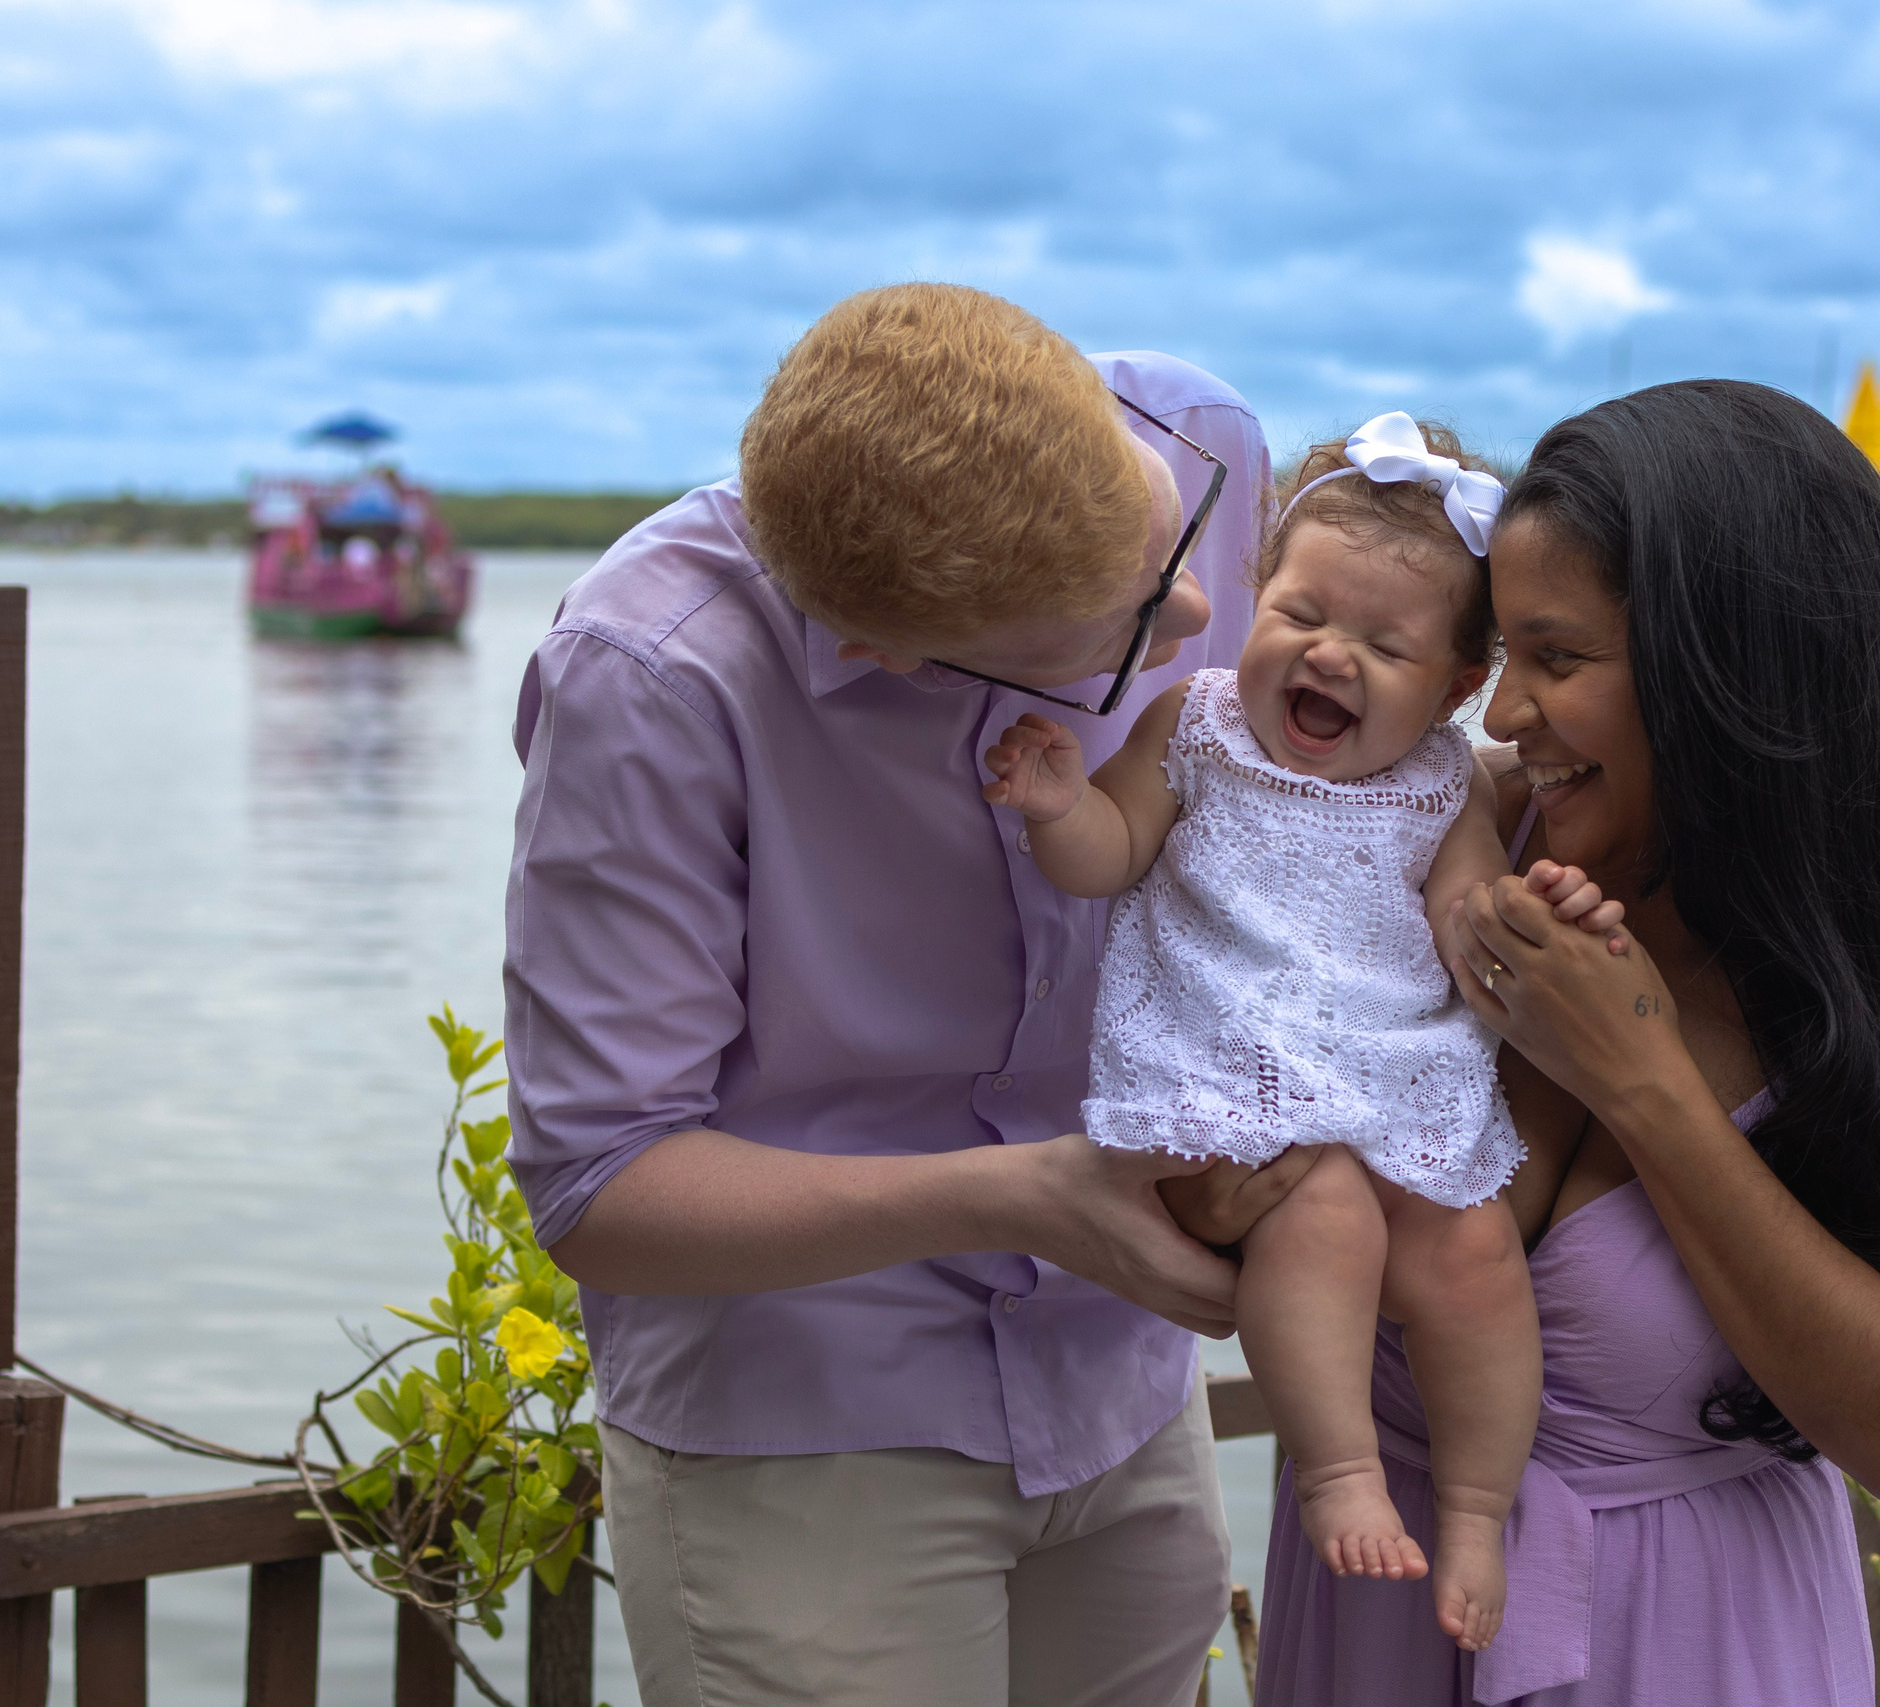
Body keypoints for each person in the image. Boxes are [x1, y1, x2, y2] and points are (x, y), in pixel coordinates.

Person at [1232, 379, 1880, 1704]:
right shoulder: (1429, 849)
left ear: (1730, 672)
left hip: (1690, 1647)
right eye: (1504, 660)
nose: (1500, 716)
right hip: (1369, 1631)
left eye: (1558, 661)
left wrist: (1643, 1079)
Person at [503, 282, 1291, 1706]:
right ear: (894, 654)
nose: (1194, 606)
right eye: (1121, 630)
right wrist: (1017, 1196)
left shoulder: (1198, 431)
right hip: (809, 1427)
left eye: (1171, 525)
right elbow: (603, 1184)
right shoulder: (650, 674)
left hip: (1125, 1375)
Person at [982, 415, 1623, 1653]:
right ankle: (1335, 1469)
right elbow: (1111, 858)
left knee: (1474, 1258)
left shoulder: (1444, 782)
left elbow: (1465, 917)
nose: (1329, 655)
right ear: (1252, 595)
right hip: (1232, 1071)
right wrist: (1058, 808)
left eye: (1384, 643)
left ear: (1452, 687)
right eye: (1302, 614)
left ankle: (1481, 1506)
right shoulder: (1200, 726)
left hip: (1390, 1076)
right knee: (1320, 1215)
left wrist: (1521, 921)